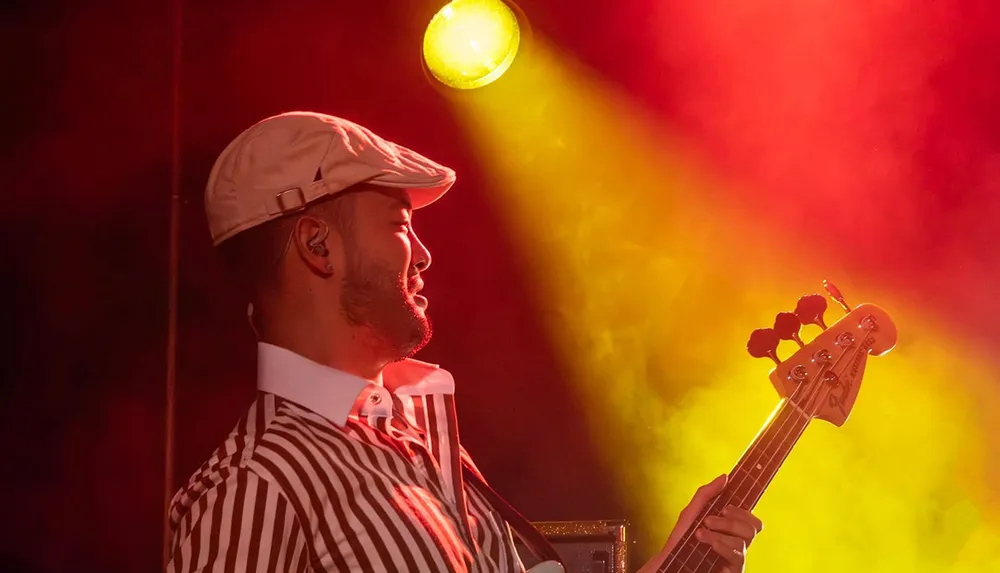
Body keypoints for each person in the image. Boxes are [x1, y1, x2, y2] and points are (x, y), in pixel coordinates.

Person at [166, 112, 763, 573]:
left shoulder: (421, 443)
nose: (423, 255)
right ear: (317, 246)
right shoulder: (255, 485)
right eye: (400, 225)